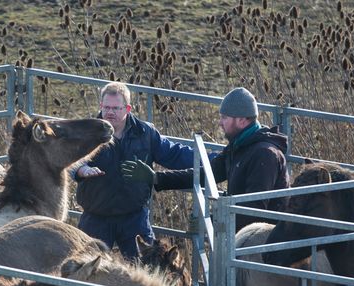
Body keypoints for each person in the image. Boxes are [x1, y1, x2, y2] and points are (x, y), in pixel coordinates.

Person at [121, 87, 289, 231]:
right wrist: (156, 178)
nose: (219, 123)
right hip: (245, 239)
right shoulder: (239, 146)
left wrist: (214, 224)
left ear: (243, 120)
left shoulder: (264, 154)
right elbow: (206, 173)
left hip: (263, 246)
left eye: (224, 118)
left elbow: (254, 210)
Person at [74, 82, 196, 260]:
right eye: (106, 107)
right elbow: (69, 160)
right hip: (96, 216)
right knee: (85, 268)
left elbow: (174, 154)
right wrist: (80, 170)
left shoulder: (145, 133)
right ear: (100, 106)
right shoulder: (86, 132)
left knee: (147, 266)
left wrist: (211, 160)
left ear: (128, 108)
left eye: (116, 108)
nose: (110, 112)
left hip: (133, 217)